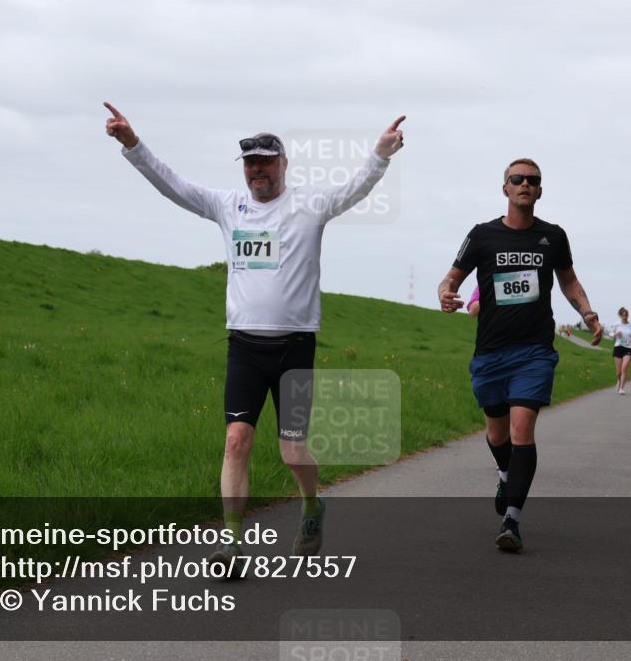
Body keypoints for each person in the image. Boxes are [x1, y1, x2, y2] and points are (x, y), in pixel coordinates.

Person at [104, 102, 406, 562]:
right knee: (236, 440)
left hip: (295, 347)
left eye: (265, 161)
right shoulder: (228, 206)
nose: (257, 170)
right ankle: (231, 541)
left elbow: (355, 189)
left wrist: (380, 155)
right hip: (244, 346)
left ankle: (310, 505)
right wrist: (133, 144)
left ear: (283, 165)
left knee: (292, 452)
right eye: (250, 163)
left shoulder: (310, 205)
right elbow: (174, 185)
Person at [437, 157, 602, 553]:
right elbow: (452, 276)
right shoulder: (482, 236)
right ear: (506, 188)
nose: (525, 184)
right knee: (496, 434)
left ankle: (512, 519)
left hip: (534, 351)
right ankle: (505, 472)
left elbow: (569, 281)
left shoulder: (553, 237)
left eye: (533, 180)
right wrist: (444, 292)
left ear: (540, 191)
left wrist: (588, 312)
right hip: (491, 351)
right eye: (517, 179)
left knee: (520, 429)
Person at [612, 307, 631, 395]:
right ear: (620, 316)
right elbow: (611, 334)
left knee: (624, 368)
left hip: (628, 348)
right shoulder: (616, 325)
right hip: (618, 347)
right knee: (618, 372)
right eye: (623, 315)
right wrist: (616, 334)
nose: (625, 317)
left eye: (626, 315)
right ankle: (619, 380)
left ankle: (622, 388)